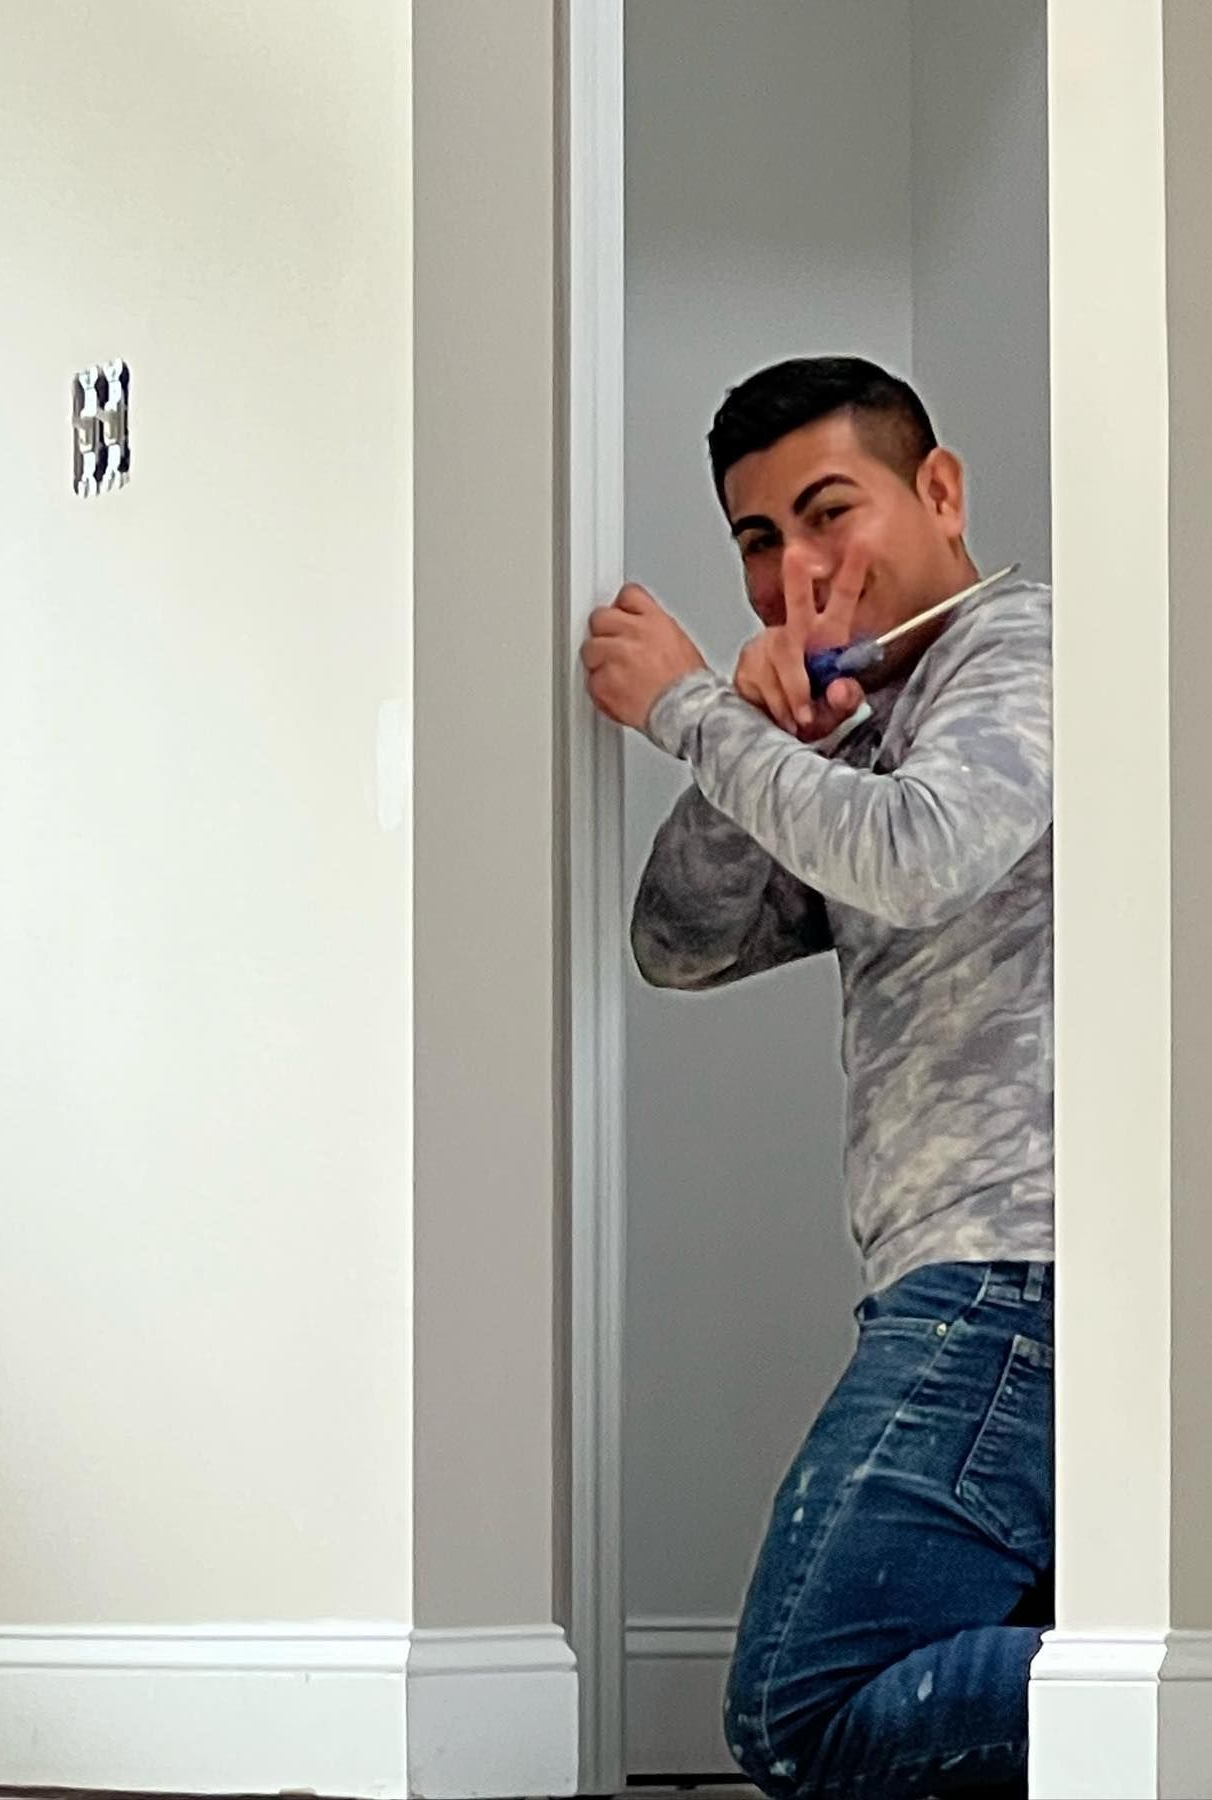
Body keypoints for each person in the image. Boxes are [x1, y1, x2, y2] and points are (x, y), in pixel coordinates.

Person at [581, 356, 1052, 1800]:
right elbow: (683, 938)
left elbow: (916, 857)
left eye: (828, 510)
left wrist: (689, 714)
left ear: (942, 490)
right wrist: (782, 734)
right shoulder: (867, 724)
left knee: (807, 1705)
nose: (798, 571)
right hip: (972, 1284)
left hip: (1008, 1281)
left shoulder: (1024, 653)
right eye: (759, 541)